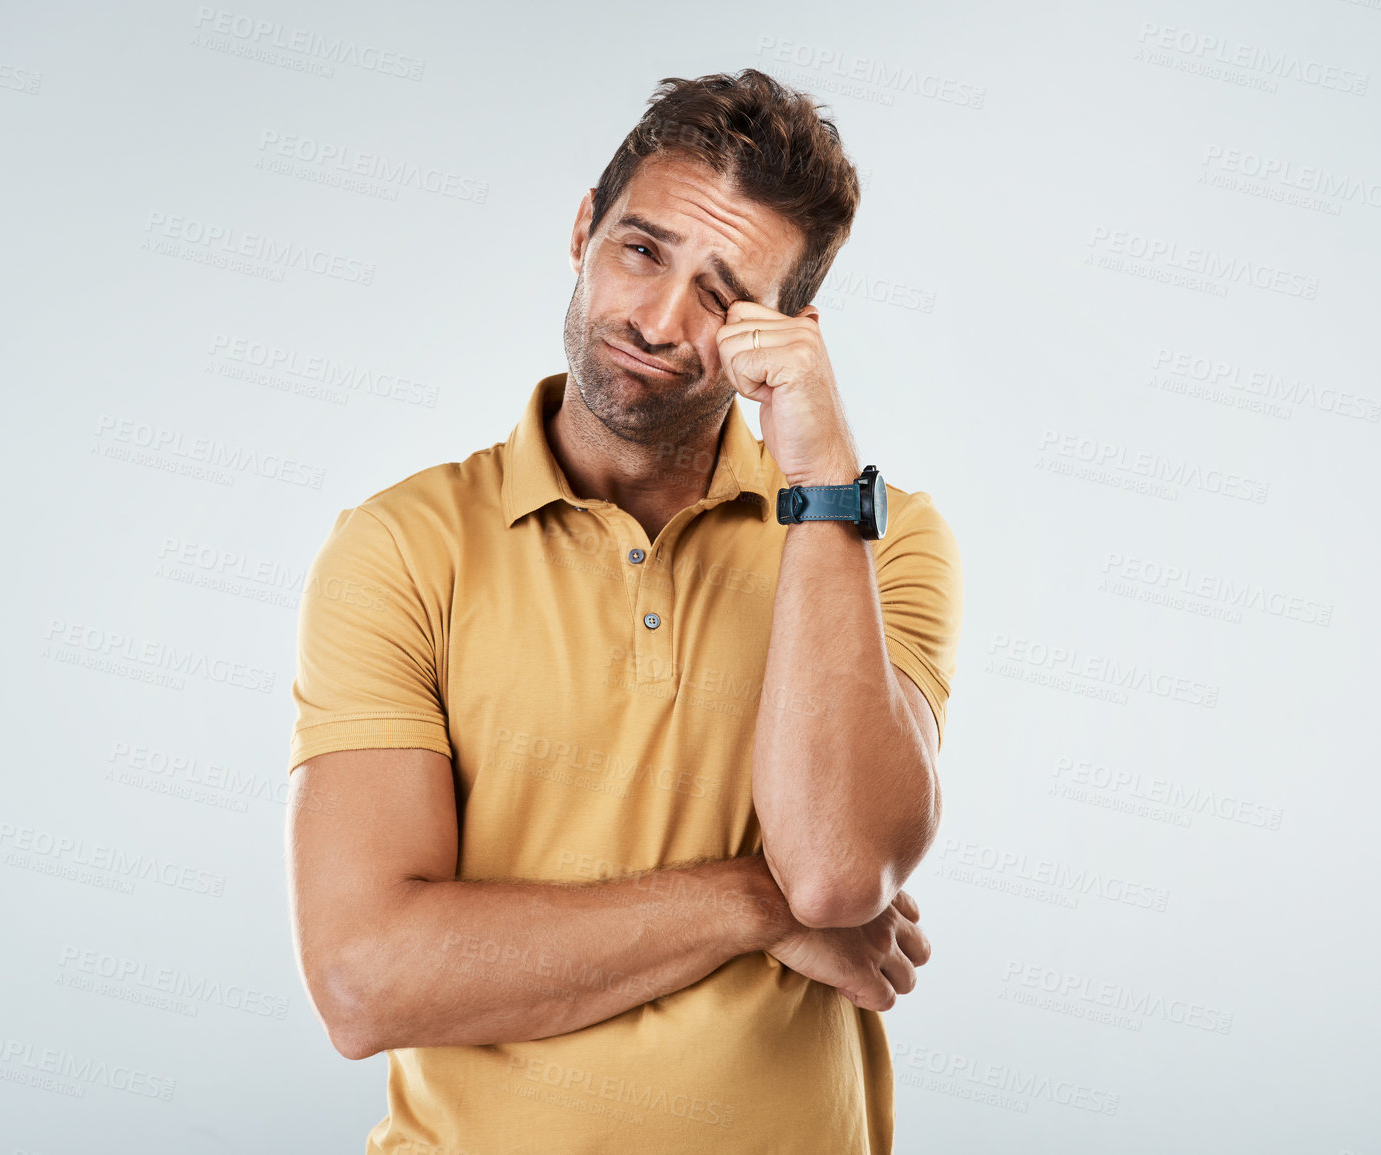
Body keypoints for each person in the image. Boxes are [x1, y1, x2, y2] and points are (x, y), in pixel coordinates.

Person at [283, 68, 963, 1155]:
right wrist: (757, 905)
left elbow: (838, 872)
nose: (656, 318)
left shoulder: (882, 545)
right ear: (584, 230)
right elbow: (367, 981)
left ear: (786, 334)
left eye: (724, 294)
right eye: (643, 250)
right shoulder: (403, 546)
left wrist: (824, 476)